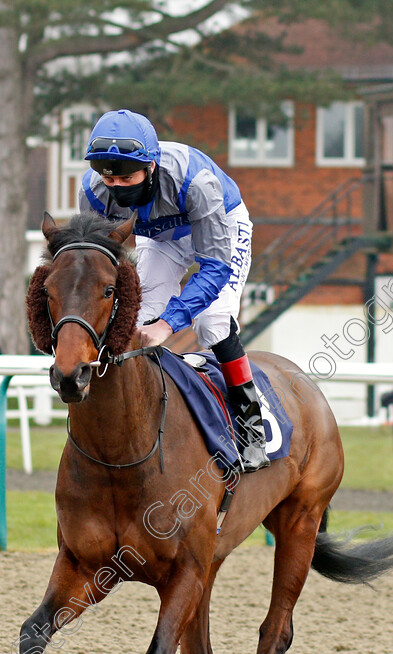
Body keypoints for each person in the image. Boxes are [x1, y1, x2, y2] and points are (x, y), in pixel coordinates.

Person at [79, 109, 269, 471]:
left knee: (212, 323)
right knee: (139, 322)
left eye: (126, 177)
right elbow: (100, 263)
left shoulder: (198, 182)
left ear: (151, 167)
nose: (116, 186)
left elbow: (214, 267)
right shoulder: (92, 190)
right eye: (109, 176)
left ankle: (251, 424)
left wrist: (170, 323)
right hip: (160, 238)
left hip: (220, 227)